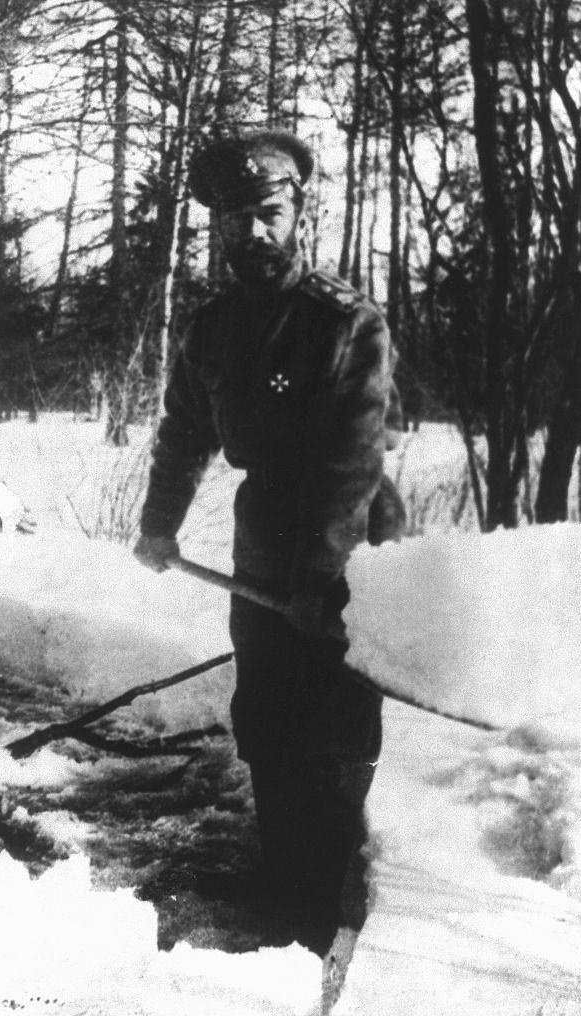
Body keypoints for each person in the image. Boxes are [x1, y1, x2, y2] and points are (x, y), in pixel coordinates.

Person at [134, 129, 403, 956]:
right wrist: (159, 523)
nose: (252, 232)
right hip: (262, 540)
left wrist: (318, 584)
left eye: (269, 214)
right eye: (234, 219)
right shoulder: (211, 328)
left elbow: (350, 461)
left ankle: (327, 902)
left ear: (296, 216)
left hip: (350, 541)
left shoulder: (346, 322)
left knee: (330, 727)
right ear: (215, 228)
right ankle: (283, 881)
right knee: (267, 715)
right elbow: (182, 432)